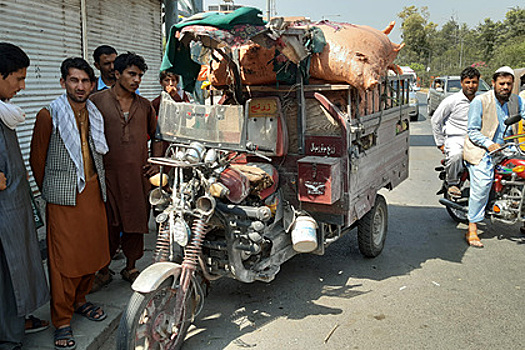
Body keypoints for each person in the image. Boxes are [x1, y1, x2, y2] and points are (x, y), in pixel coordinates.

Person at [30, 57, 110, 350]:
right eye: (74, 80)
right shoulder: (48, 114)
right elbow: (37, 160)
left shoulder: (94, 113)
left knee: (91, 252)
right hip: (63, 198)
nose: (80, 86)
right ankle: (62, 320)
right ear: (63, 82)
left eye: (85, 81)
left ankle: (80, 301)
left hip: (93, 191)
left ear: (92, 84)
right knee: (63, 260)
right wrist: (53, 193)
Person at [90, 52, 161, 289]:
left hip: (138, 177)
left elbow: (158, 136)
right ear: (117, 74)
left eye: (140, 75)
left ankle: (131, 267)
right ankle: (102, 269)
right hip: (107, 177)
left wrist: (157, 161)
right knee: (106, 226)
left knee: (136, 222)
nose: (137, 80)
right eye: (132, 74)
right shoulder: (96, 101)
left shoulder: (145, 106)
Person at [0, 42, 50, 350]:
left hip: (13, 208)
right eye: (18, 78)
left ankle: (14, 324)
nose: (23, 85)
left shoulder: (4, 111)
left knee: (13, 272)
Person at [463, 66, 525, 248]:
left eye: (509, 84)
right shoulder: (480, 101)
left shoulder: (516, 100)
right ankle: (472, 228)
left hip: (508, 147)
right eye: (502, 83)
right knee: (482, 183)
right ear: (493, 83)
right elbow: (472, 131)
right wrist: (489, 143)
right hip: (482, 148)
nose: (505, 87)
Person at [431, 67, 481, 196]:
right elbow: (436, 120)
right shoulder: (451, 100)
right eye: (468, 82)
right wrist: (440, 143)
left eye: (474, 82)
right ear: (462, 83)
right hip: (456, 139)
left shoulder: (481, 101)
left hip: (477, 139)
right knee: (455, 156)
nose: (471, 85)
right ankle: (452, 182)